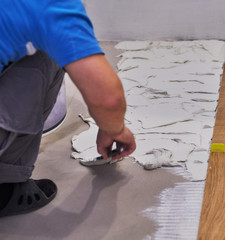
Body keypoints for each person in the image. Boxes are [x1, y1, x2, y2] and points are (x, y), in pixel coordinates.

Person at [0, 0, 136, 217]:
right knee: (46, 56)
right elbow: (108, 99)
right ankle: (5, 188)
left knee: (40, 42)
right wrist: (115, 131)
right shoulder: (50, 5)